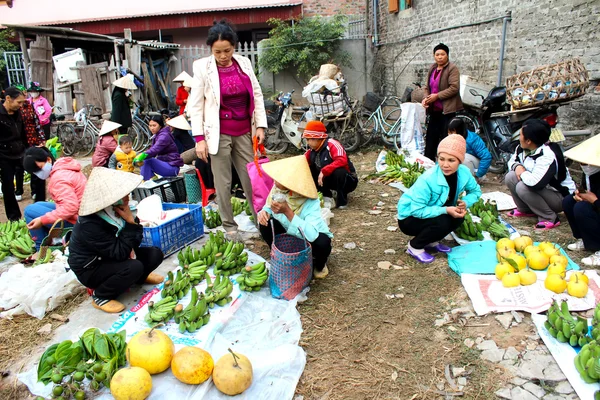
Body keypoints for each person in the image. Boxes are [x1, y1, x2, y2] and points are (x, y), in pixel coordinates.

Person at [187, 19, 268, 238]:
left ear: (234, 46)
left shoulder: (244, 63)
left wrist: (260, 125)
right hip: (218, 133)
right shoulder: (202, 68)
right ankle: (230, 228)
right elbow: (195, 106)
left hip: (244, 131)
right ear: (211, 49)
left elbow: (257, 94)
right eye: (218, 51)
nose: (223, 56)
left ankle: (261, 220)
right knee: (223, 183)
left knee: (252, 179)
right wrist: (199, 139)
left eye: (227, 50)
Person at [68, 168, 164, 313]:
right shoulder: (90, 224)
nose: (128, 197)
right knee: (134, 267)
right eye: (124, 195)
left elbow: (134, 242)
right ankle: (100, 296)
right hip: (91, 268)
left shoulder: (118, 211)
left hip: (110, 256)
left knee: (155, 254)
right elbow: (119, 252)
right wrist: (131, 225)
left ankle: (138, 278)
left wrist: (131, 222)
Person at [397, 134, 481, 263]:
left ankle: (431, 241)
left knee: (458, 217)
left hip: (434, 211)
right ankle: (415, 246)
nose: (445, 165)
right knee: (443, 221)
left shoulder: (464, 173)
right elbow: (417, 211)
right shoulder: (428, 179)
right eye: (441, 159)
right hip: (409, 218)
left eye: (451, 160)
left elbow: (475, 191)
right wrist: (446, 210)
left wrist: (466, 202)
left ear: (460, 161)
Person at [258, 155, 333, 279]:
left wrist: (288, 212)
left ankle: (319, 264)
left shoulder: (310, 202)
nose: (274, 182)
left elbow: (311, 235)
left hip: (306, 238)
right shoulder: (278, 190)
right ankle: (282, 255)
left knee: (323, 242)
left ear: (290, 184)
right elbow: (268, 205)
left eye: (278, 180)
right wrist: (264, 212)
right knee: (265, 223)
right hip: (286, 234)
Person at [505, 119, 575, 230]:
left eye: (521, 135)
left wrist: (522, 172)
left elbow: (535, 183)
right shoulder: (522, 148)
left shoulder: (548, 155)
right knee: (510, 177)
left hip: (559, 196)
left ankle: (549, 217)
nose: (519, 138)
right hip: (540, 190)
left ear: (529, 141)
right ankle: (526, 210)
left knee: (522, 187)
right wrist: (517, 167)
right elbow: (511, 162)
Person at [22, 147, 87, 249]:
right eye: (35, 172)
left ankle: (41, 248)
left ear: (48, 160)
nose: (38, 173)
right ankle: (50, 239)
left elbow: (70, 207)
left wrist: (43, 220)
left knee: (29, 211)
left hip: (79, 223)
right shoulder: (64, 166)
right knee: (38, 205)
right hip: (83, 215)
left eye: (39, 168)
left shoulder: (58, 178)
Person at [562, 134, 600, 266]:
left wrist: (594, 200)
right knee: (569, 201)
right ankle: (585, 239)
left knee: (582, 208)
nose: (584, 165)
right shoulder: (590, 173)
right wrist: (579, 194)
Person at [421, 43, 464, 161]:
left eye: (442, 54)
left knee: (446, 139)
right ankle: (428, 163)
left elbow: (454, 88)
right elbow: (427, 87)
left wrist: (437, 96)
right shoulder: (433, 68)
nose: (440, 57)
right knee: (431, 139)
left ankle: (446, 165)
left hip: (447, 111)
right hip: (434, 111)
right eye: (437, 54)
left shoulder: (452, 68)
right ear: (434, 56)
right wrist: (426, 98)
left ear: (447, 55)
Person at [303, 120, 358, 209]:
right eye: (307, 139)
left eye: (311, 139)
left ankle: (342, 200)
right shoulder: (311, 151)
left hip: (348, 180)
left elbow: (342, 160)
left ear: (319, 138)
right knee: (308, 168)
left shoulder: (332, 144)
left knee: (339, 171)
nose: (309, 142)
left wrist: (324, 171)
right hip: (327, 180)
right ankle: (326, 195)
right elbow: (301, 162)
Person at [0, 86, 28, 220]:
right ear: (8, 99)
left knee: (39, 173)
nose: (21, 105)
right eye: (19, 102)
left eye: (23, 102)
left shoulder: (18, 113)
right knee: (8, 186)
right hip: (4, 156)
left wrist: (28, 149)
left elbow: (23, 134)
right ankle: (14, 217)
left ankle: (41, 206)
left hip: (20, 152)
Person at [15, 84, 46, 202]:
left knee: (34, 165)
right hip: (20, 142)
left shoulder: (29, 106)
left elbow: (37, 123)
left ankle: (34, 191)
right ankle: (18, 191)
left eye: (24, 94)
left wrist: (42, 138)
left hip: (33, 140)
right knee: (19, 168)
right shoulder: (15, 109)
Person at [133, 115, 183, 180]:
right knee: (145, 162)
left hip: (172, 167)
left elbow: (155, 150)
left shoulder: (164, 136)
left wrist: (143, 155)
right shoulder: (158, 135)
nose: (152, 128)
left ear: (160, 125)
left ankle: (147, 183)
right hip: (166, 164)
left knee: (147, 161)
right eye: (150, 126)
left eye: (154, 125)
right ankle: (151, 181)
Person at [447, 118, 492, 182]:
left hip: (475, 165)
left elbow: (486, 157)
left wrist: (479, 174)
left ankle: (472, 180)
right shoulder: (449, 140)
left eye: (452, 132)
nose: (450, 135)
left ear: (459, 130)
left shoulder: (472, 139)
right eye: (449, 132)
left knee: (463, 157)